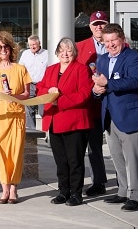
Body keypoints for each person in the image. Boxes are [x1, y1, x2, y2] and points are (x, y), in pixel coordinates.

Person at [91, 23, 138, 212]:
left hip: (132, 116)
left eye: (113, 40)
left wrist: (107, 83)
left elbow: (135, 81)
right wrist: (96, 90)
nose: (110, 44)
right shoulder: (101, 60)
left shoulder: (134, 57)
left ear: (122, 40)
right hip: (110, 117)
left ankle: (135, 196)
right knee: (117, 157)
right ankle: (123, 191)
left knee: (133, 159)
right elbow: (99, 86)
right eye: (106, 41)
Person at [37, 38, 93, 207]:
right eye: (62, 50)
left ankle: (76, 193)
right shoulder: (51, 70)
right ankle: (63, 191)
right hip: (54, 121)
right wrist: (49, 91)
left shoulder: (81, 69)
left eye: (69, 50)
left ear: (74, 53)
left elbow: (84, 94)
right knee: (61, 161)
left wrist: (58, 100)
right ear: (57, 52)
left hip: (74, 121)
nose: (65, 53)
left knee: (74, 160)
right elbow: (40, 87)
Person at [0, 31, 31, 204]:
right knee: (2, 154)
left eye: (5, 47)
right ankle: (4, 189)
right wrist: (0, 94)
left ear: (11, 49)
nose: (3, 50)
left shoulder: (21, 69)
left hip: (17, 116)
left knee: (16, 153)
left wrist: (15, 96)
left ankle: (14, 189)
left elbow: (27, 94)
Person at [76, 10, 109, 197]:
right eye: (95, 24)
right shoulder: (80, 47)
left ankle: (125, 182)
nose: (99, 27)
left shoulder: (118, 44)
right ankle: (98, 181)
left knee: (119, 147)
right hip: (90, 104)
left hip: (113, 102)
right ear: (90, 27)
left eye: (102, 23)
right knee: (93, 146)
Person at [18, 35, 49, 129]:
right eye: (30, 45)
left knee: (43, 111)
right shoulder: (25, 54)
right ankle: (32, 135)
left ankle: (46, 132)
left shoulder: (47, 54)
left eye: (34, 44)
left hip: (42, 85)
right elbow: (20, 69)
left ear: (39, 43)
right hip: (29, 85)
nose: (32, 47)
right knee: (28, 110)